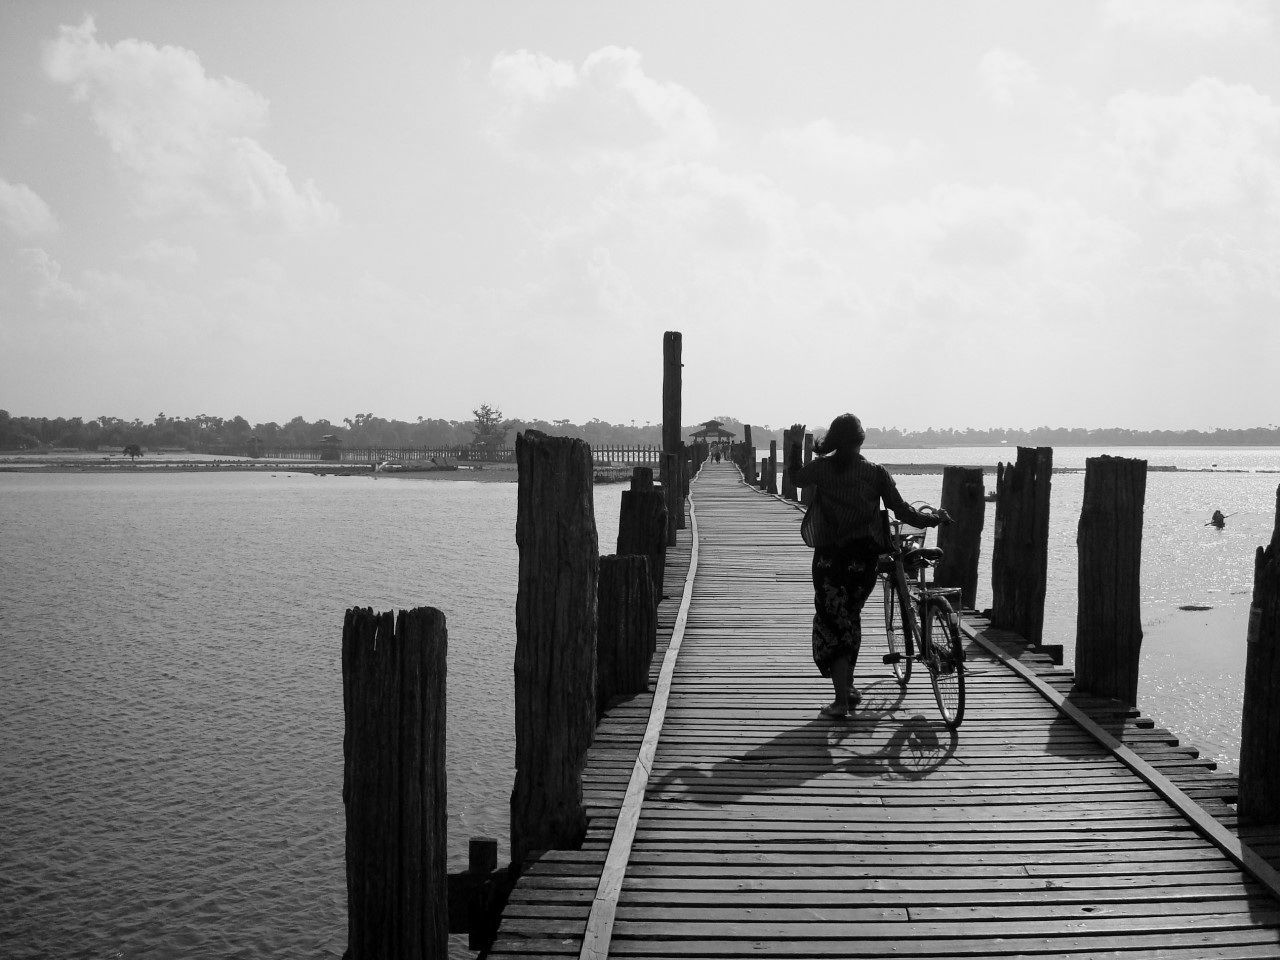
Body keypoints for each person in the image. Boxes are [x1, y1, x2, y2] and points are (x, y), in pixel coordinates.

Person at [788, 413, 948, 718]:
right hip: (864, 562)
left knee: (833, 622)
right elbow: (903, 511)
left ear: (835, 439)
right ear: (861, 440)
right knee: (851, 618)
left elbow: (795, 478)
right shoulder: (876, 473)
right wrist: (934, 519)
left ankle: (840, 702)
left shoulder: (822, 468)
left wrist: (796, 446)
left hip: (829, 560)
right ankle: (846, 689)